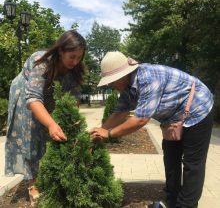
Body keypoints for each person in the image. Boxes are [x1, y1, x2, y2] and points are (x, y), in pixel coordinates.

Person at [90, 51, 214, 208]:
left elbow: (140, 119)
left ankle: (186, 205)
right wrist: (100, 130)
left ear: (122, 75)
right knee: (170, 158)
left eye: (111, 82)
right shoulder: (127, 88)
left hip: (198, 108)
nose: (110, 85)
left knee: (192, 164)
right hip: (174, 118)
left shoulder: (148, 77)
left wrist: (108, 134)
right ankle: (171, 199)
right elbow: (119, 113)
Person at [5, 30, 87, 205]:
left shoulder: (75, 69)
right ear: (60, 51)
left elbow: (74, 98)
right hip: (26, 97)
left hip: (50, 96)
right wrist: (51, 123)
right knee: (32, 135)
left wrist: (71, 120)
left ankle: (47, 172)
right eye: (72, 56)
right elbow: (34, 98)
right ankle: (32, 183)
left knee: (54, 132)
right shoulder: (41, 61)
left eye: (79, 57)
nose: (75, 61)